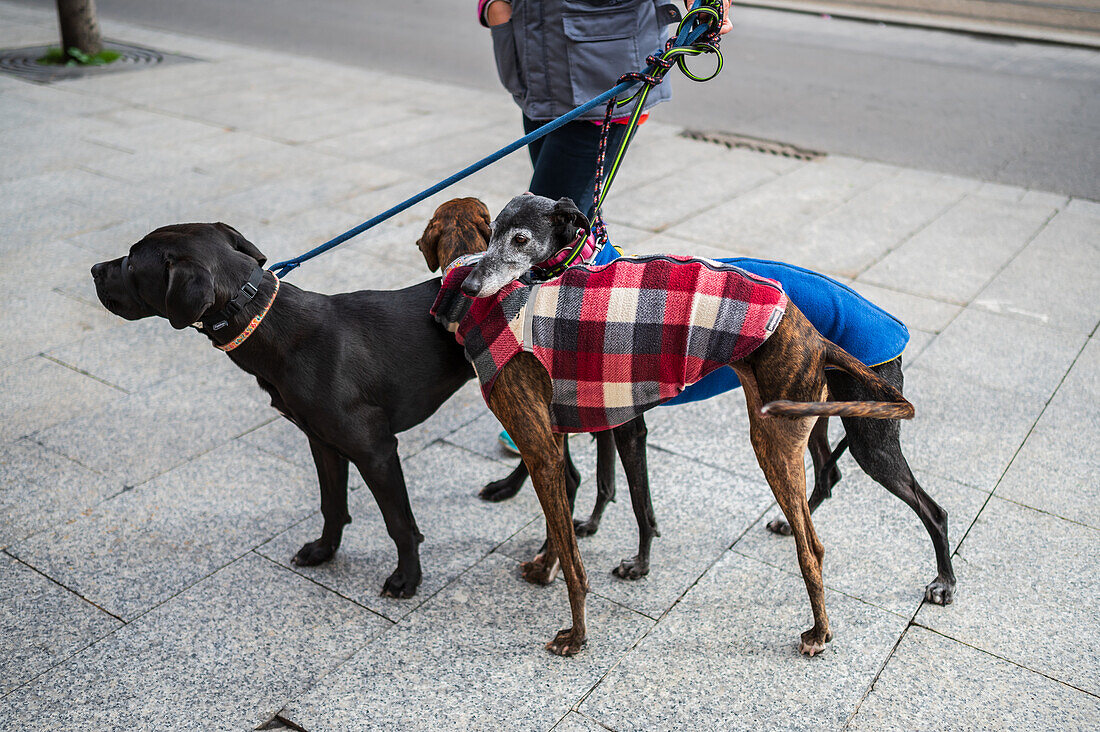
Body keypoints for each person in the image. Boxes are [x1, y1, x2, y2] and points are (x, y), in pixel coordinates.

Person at [479, 0, 731, 452]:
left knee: (550, 240)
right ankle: (608, 356)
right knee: (581, 225)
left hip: (605, 69)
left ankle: (565, 383)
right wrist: (495, 8)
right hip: (535, 57)